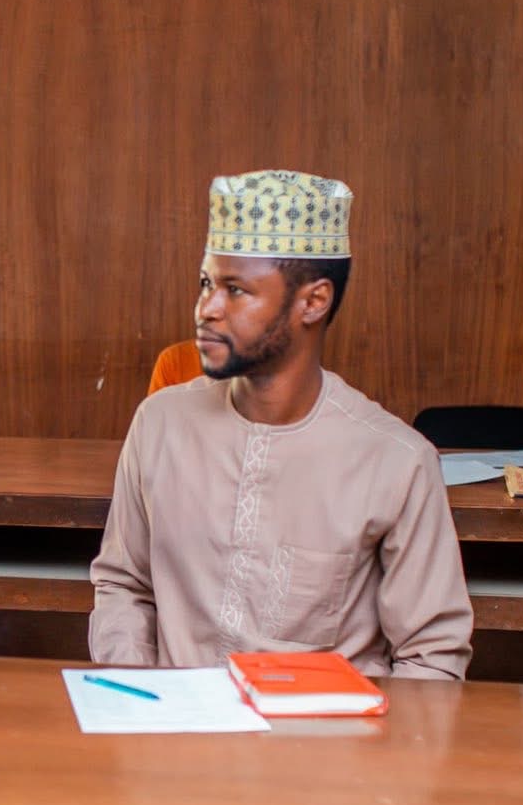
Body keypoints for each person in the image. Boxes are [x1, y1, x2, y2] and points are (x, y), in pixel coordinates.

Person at [89, 172, 472, 677]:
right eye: (206, 284)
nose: (207, 309)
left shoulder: (396, 460)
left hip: (327, 728)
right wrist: (141, 699)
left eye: (236, 290)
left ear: (313, 302)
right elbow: (124, 586)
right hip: (172, 722)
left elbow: (432, 658)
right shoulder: (160, 424)